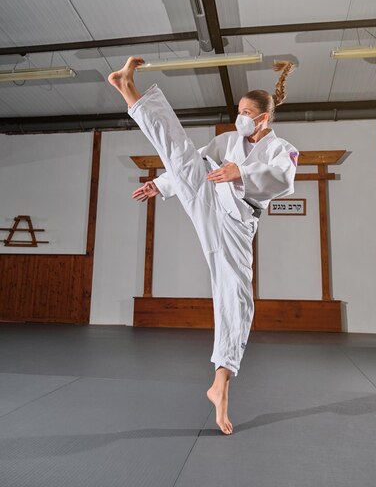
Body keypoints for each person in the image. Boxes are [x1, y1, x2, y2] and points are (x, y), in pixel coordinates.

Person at [108, 57, 297, 435]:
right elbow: (191, 163)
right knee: (180, 154)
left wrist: (240, 171)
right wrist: (160, 185)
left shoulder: (282, 148)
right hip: (207, 192)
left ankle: (221, 382)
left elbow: (284, 179)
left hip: (237, 218)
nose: (241, 117)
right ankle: (127, 87)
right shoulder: (228, 140)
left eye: (247, 112)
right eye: (239, 110)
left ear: (264, 118)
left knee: (237, 295)